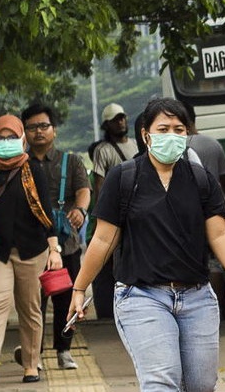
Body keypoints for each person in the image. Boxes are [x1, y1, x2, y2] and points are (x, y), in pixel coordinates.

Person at [68, 97, 225, 392]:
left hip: (197, 298)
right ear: (146, 134)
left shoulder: (199, 178)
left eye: (179, 129)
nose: (172, 135)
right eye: (163, 128)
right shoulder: (123, 177)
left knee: (201, 385)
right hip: (142, 297)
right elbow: (103, 239)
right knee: (162, 382)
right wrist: (80, 288)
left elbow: (219, 234)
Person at [0, 115, 59, 385]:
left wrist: (54, 250)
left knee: (30, 309)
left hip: (33, 250)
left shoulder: (34, 170)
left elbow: (46, 213)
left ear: (21, 138)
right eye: (0, 138)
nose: (6, 142)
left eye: (11, 137)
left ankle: (31, 365)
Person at [21, 103, 91, 370]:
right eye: (32, 127)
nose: (39, 132)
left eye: (44, 126)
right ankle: (33, 355)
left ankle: (64, 350)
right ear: (24, 132)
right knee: (33, 303)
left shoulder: (70, 161)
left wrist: (81, 210)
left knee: (67, 299)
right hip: (31, 245)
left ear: (54, 130)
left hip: (66, 244)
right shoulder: (19, 164)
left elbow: (84, 190)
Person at [181, 100, 225, 321]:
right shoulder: (213, 145)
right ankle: (222, 314)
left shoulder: (176, 146)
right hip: (214, 213)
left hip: (187, 217)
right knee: (216, 263)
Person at [89, 102, 138, 318]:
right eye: (116, 119)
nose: (121, 122)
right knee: (106, 265)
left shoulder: (137, 145)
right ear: (107, 125)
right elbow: (99, 185)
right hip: (114, 215)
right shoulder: (104, 151)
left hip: (136, 214)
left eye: (123, 117)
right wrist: (101, 218)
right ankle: (107, 314)